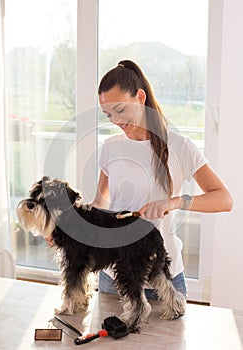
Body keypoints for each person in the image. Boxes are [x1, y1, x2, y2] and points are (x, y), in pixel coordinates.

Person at [91, 59, 233, 299]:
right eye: (108, 114)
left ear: (140, 97)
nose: (115, 120)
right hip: (113, 277)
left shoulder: (180, 146)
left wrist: (175, 202)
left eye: (120, 110)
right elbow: (100, 204)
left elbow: (224, 199)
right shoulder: (111, 147)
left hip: (162, 279)